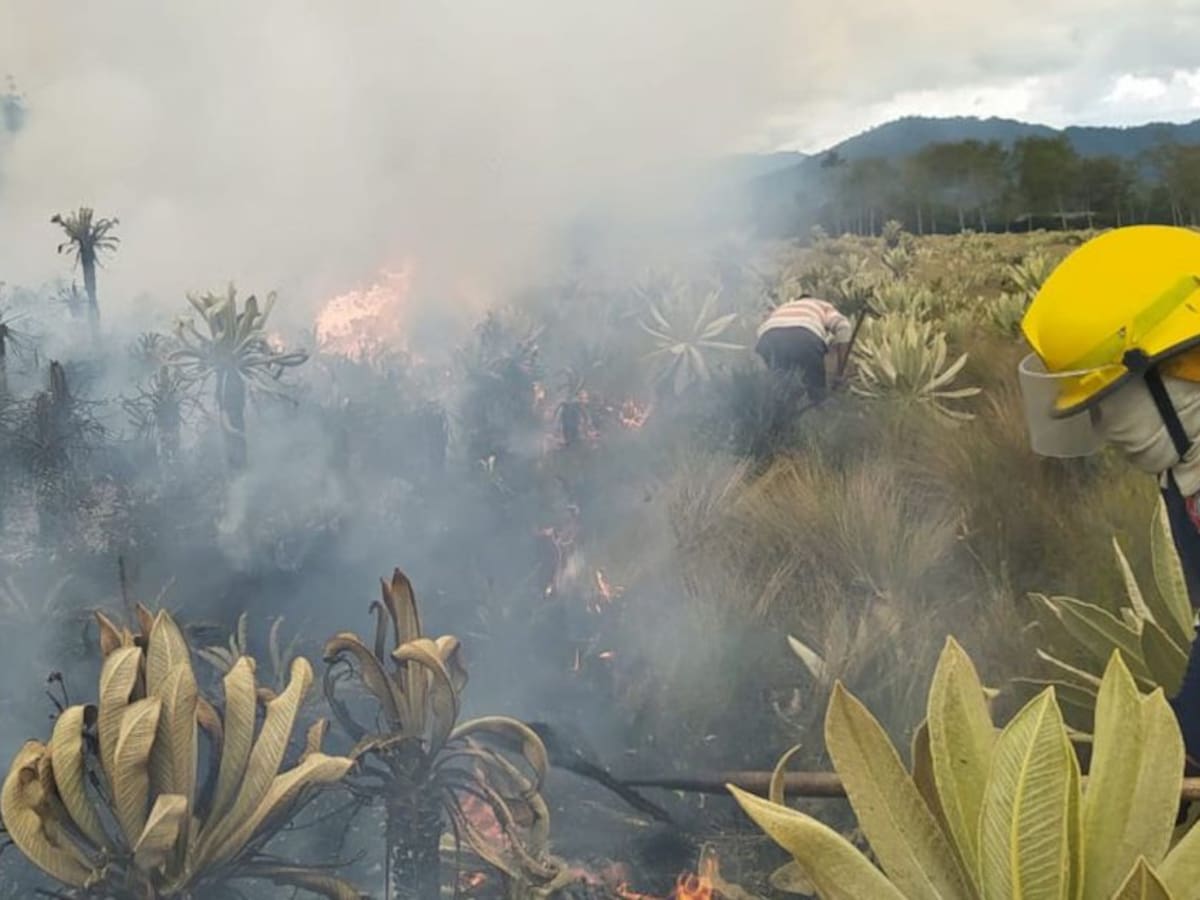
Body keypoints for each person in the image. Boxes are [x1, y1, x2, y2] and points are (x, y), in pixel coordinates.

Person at [1020, 224, 1200, 765]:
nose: (1100, 427)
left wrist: (1182, 742)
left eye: (1103, 402)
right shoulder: (1185, 474)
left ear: (1171, 373)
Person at [754, 292, 853, 403]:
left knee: (780, 384)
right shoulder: (822, 305)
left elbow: (763, 325)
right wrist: (840, 371)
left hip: (769, 336)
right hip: (805, 335)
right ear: (812, 299)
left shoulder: (784, 306)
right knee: (816, 388)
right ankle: (820, 407)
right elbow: (843, 327)